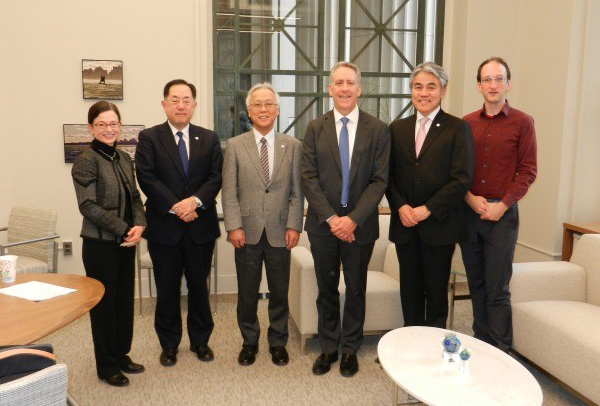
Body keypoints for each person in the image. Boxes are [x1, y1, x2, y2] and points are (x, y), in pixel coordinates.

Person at [301, 61, 390, 377]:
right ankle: (328, 348)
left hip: (361, 227)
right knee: (325, 289)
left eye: (350, 82)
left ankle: (350, 349)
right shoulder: (315, 127)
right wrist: (332, 220)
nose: (344, 88)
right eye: (338, 82)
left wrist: (351, 220)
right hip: (323, 228)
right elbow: (308, 177)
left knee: (355, 289)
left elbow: (379, 180)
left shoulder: (377, 129)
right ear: (330, 89)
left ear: (359, 89)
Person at [135, 79, 223, 367]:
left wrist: (194, 202)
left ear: (195, 106)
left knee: (199, 288)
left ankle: (200, 342)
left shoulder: (209, 138)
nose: (181, 105)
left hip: (200, 227)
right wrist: (177, 206)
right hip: (165, 228)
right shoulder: (149, 138)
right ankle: (169, 344)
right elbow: (147, 178)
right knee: (167, 289)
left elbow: (215, 177)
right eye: (175, 99)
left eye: (187, 100)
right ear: (164, 104)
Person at [386, 62, 474, 329]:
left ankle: (434, 350)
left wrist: (427, 209)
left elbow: (461, 179)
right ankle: (411, 345)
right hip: (405, 225)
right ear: (411, 91)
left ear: (443, 91)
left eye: (431, 87)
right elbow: (387, 177)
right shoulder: (397, 128)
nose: (424, 93)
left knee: (436, 293)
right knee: (409, 292)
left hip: (439, 225)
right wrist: (401, 207)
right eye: (418, 87)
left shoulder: (458, 128)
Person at [222, 82, 303, 367]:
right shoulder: (234, 146)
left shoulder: (293, 146)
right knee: (247, 293)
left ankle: (278, 342)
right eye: (258, 104)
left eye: (269, 104)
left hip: (282, 232)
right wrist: (233, 226)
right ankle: (249, 342)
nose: (264, 109)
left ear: (278, 110)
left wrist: (294, 226)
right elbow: (229, 190)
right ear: (249, 111)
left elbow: (297, 191)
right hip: (246, 232)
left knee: (280, 293)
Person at [460, 57, 537, 352]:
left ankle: (502, 353)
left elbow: (527, 171)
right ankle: (482, 345)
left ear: (508, 83)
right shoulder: (466, 123)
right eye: (487, 79)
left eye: (498, 78)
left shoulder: (523, 122)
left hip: (502, 217)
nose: (493, 85)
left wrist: (502, 205)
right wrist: (469, 198)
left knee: (497, 290)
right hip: (470, 214)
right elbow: (460, 171)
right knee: (475, 285)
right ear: (478, 85)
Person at [72, 101, 146, 387]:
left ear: (120, 125)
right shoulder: (86, 160)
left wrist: (139, 226)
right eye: (101, 124)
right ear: (91, 127)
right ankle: (107, 366)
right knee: (104, 306)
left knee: (123, 302)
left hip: (126, 242)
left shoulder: (125, 158)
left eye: (113, 123)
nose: (108, 129)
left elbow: (136, 198)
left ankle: (120, 354)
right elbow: (87, 206)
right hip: (100, 245)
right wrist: (125, 229)